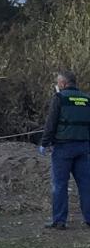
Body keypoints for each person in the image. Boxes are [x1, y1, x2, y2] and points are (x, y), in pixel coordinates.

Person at [39, 71, 90, 230]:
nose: (57, 85)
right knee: (85, 184)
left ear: (63, 83)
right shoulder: (87, 99)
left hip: (63, 148)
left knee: (60, 184)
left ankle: (59, 221)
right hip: (83, 147)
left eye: (58, 82)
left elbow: (51, 122)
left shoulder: (59, 98)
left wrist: (44, 143)